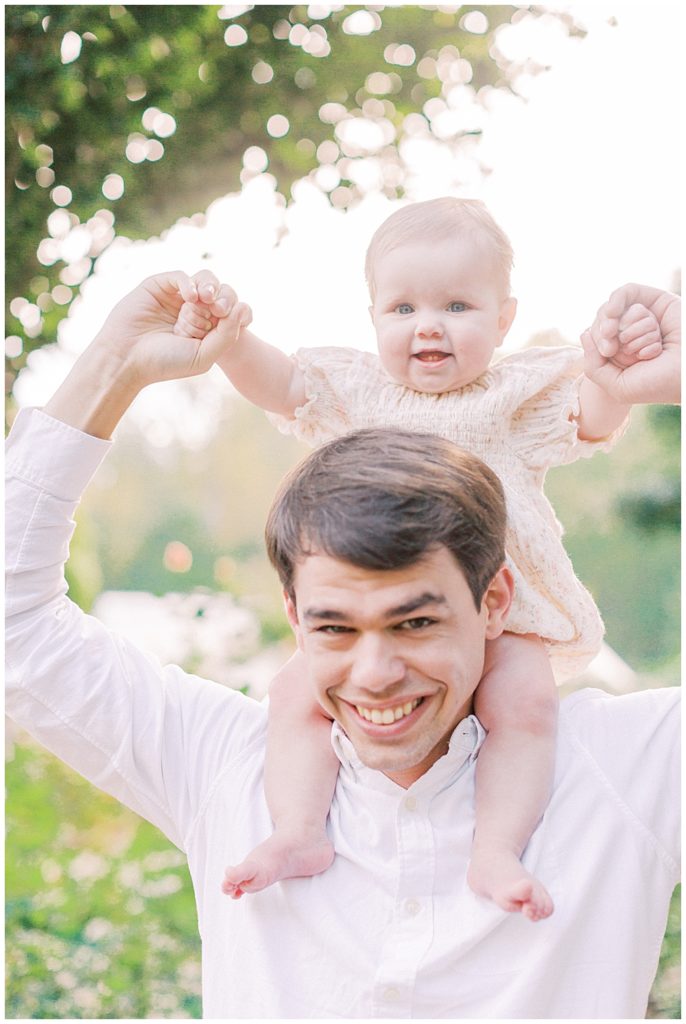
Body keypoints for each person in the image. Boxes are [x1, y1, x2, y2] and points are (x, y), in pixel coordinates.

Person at [5, 272, 680, 1018]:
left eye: (415, 622)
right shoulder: (225, 766)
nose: (376, 673)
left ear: (494, 602)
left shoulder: (623, 768)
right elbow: (15, 623)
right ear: (293, 615)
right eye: (334, 627)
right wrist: (113, 366)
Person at [174, 198, 667, 918]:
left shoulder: (511, 394)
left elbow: (588, 418)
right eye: (402, 308)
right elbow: (281, 386)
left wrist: (614, 377)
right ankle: (298, 830)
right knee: (292, 696)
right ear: (373, 316)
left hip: (505, 602)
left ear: (503, 320)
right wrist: (228, 344)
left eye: (458, 305)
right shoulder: (358, 391)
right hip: (383, 597)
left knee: (523, 703)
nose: (428, 325)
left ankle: (495, 848)